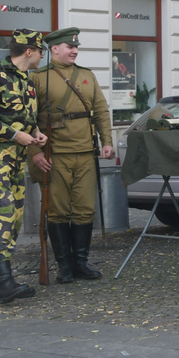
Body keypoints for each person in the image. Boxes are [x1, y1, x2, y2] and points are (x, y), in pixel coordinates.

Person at [28, 27, 113, 283]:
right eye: (69, 47)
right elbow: (26, 118)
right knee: (57, 211)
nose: (75, 50)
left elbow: (100, 110)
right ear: (54, 49)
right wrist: (34, 152)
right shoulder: (38, 78)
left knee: (85, 209)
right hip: (55, 155)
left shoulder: (87, 76)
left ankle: (80, 263)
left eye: (76, 47)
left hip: (86, 153)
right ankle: (64, 266)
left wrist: (107, 140)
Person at [0, 29, 48, 303]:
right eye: (41, 51)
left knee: (12, 218)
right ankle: (4, 281)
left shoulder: (26, 82)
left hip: (15, 160)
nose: (42, 56)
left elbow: (24, 118)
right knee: (0, 216)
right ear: (29, 51)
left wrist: (35, 134)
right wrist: (15, 135)